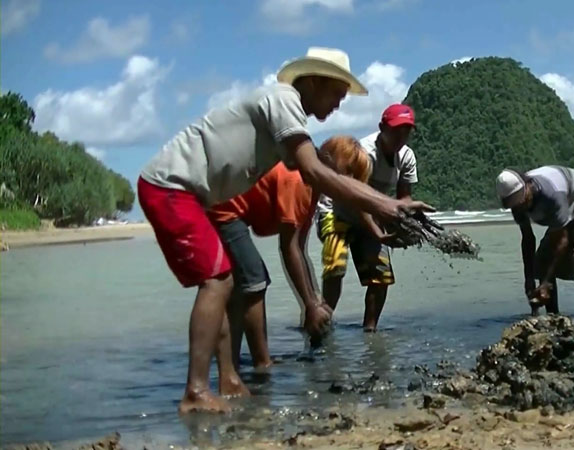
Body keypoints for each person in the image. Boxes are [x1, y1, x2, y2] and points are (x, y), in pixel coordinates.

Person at [138, 47, 431, 414]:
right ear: (311, 82)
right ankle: (199, 389)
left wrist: (311, 300)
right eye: (336, 95)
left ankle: (228, 378)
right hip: (174, 187)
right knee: (223, 282)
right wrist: (387, 205)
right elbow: (318, 173)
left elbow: (306, 224)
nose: (339, 106)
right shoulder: (284, 100)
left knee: (226, 282)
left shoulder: (291, 132)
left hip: (198, 196)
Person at [208, 136, 372, 372]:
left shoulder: (314, 189)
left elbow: (301, 250)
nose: (349, 185)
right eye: (347, 176)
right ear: (327, 161)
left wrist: (313, 301)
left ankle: (231, 367)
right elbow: (288, 247)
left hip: (231, 210)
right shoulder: (299, 179)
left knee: (240, 289)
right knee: (255, 281)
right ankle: (261, 363)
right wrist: (310, 304)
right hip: (224, 210)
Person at [316, 104, 418, 332]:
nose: (400, 137)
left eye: (406, 131)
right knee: (336, 266)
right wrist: (377, 233)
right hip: (337, 209)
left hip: (372, 215)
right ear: (382, 128)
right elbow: (355, 198)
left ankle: (370, 333)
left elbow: (404, 198)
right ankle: (321, 324)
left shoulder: (407, 157)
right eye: (395, 130)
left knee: (381, 276)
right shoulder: (364, 152)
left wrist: (410, 226)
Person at [495, 165, 574, 333]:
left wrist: (545, 283)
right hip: (569, 209)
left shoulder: (551, 195)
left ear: (528, 186)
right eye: (514, 205)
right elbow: (528, 239)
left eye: (522, 200)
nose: (521, 207)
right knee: (541, 261)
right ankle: (553, 319)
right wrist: (529, 279)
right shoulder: (517, 205)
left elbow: (561, 241)